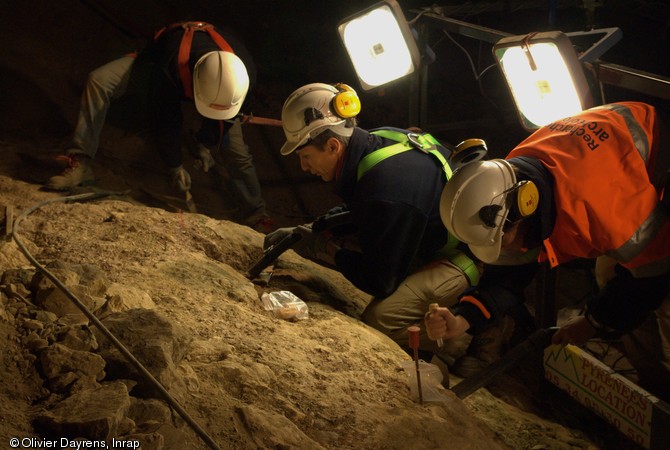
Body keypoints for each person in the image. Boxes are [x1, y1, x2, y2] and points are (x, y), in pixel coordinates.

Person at [427, 101, 670, 399]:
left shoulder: (604, 211)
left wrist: (593, 322)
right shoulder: (508, 181)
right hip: (618, 163)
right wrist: (463, 319)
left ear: (527, 208)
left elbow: (653, 275)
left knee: (655, 297)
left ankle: (661, 398)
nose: (504, 249)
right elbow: (507, 274)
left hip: (652, 159)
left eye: (503, 240)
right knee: (612, 279)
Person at [265, 82, 485, 362]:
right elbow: (360, 209)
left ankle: (460, 343)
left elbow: (380, 280)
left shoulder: (388, 189)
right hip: (431, 231)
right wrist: (316, 228)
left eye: (306, 157)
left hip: (464, 258)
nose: (304, 168)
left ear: (333, 145)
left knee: (379, 318)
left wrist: (327, 249)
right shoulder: (378, 140)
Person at [46, 21, 274, 233]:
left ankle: (255, 213)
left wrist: (205, 143)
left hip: (209, 78)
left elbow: (228, 117)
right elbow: (165, 118)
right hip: (156, 62)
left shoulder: (244, 74)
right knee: (99, 80)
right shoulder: (169, 65)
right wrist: (175, 165)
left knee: (237, 152)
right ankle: (81, 162)